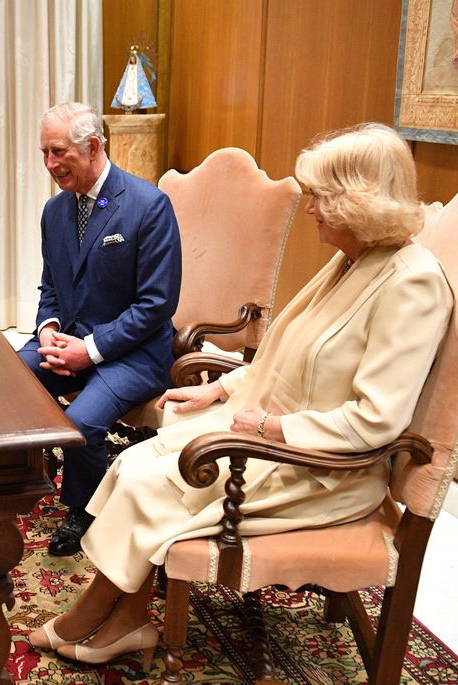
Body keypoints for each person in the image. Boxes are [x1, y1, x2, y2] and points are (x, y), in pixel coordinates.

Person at [28, 123, 453, 665]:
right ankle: (127, 617)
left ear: (358, 201)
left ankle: (92, 618)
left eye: (321, 197)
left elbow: (376, 422)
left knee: (150, 480)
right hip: (279, 434)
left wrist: (270, 429)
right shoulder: (354, 260)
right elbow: (287, 356)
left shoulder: (411, 283)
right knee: (133, 463)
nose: (311, 210)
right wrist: (221, 390)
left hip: (325, 470)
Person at [18, 102, 181, 556]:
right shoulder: (55, 211)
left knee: (81, 422)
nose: (49, 165)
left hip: (135, 353)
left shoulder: (148, 206)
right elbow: (51, 284)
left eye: (58, 153)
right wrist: (47, 327)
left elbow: (156, 305)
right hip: (71, 340)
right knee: (11, 378)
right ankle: (24, 477)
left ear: (92, 147)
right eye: (44, 153)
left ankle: (83, 509)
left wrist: (88, 351)